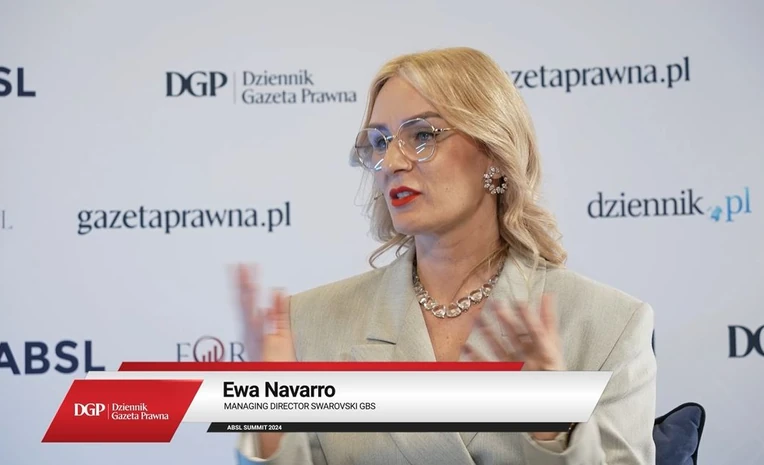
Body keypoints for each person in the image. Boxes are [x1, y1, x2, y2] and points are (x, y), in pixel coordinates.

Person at [233, 47, 656, 464]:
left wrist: (551, 431)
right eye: (379, 142)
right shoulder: (307, 323)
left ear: (494, 152)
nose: (390, 162)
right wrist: (268, 422)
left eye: (422, 136)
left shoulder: (611, 325)